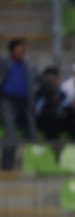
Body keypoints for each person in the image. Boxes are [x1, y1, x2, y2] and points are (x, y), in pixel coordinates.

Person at [0, 38, 37, 170]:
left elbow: (35, 81)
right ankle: (7, 164)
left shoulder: (27, 66)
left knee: (32, 131)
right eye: (20, 48)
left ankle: (34, 162)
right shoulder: (5, 63)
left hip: (23, 102)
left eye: (24, 49)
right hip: (7, 100)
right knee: (11, 132)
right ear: (12, 50)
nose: (23, 51)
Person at [35, 66, 69, 141]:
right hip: (42, 119)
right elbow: (37, 109)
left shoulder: (62, 94)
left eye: (53, 78)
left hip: (57, 120)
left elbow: (65, 109)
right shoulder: (39, 93)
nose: (51, 81)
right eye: (48, 78)